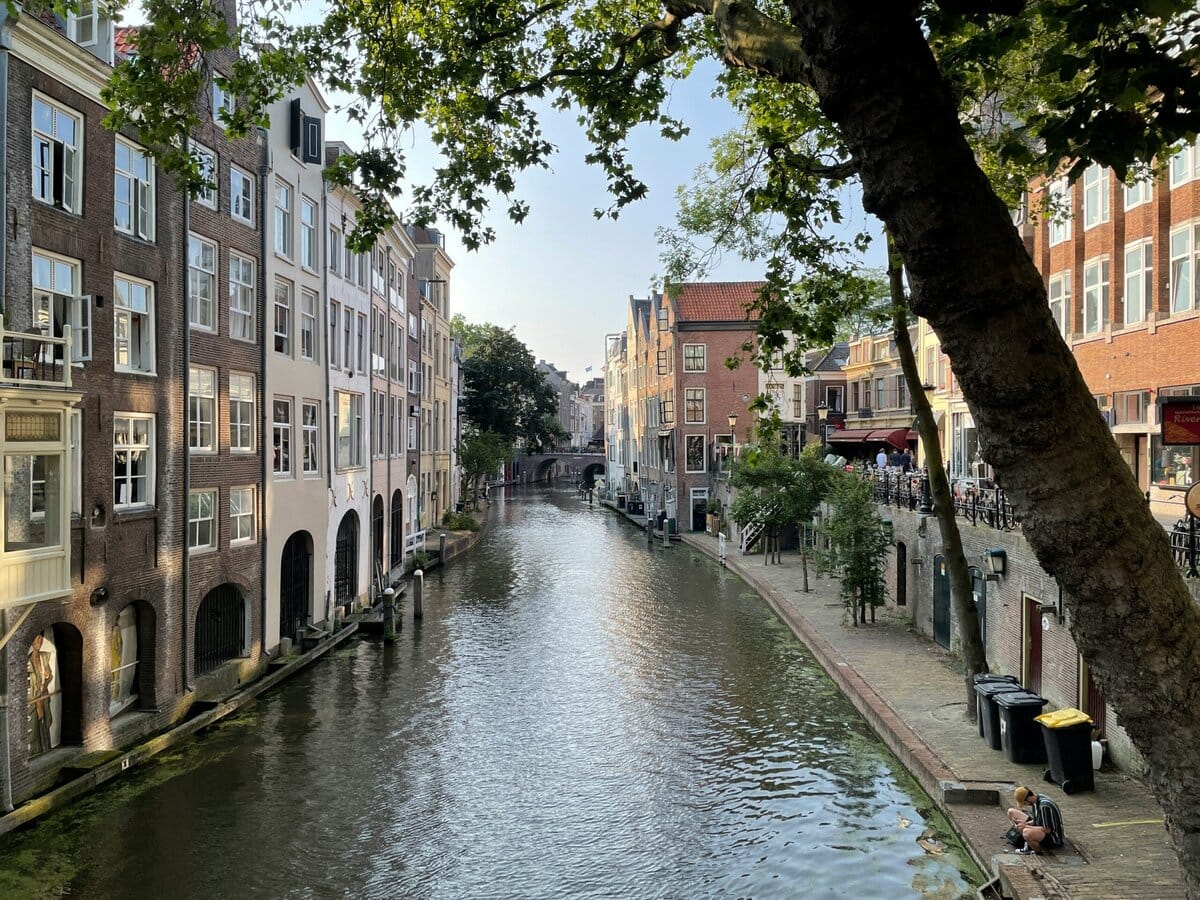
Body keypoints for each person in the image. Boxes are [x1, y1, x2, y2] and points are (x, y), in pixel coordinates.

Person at [1006, 786, 1065, 854]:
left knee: (1026, 833)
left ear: (1028, 799)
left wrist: (1026, 826)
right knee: (1011, 812)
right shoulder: (1036, 800)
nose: (1026, 805)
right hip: (1042, 828)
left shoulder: (1044, 807)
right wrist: (1026, 823)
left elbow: (1047, 830)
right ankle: (1028, 842)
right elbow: (1036, 820)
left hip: (1054, 838)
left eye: (1025, 803)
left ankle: (1037, 852)